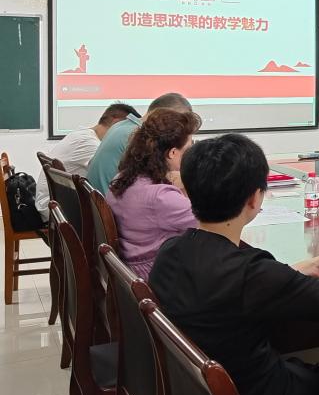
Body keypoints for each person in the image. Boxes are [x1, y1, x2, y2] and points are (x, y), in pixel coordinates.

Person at [149, 134, 319, 395]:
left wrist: (296, 271)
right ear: (254, 198)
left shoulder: (171, 251)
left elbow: (235, 284)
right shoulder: (254, 274)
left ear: (187, 191)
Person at [105, 108, 201, 279]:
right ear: (172, 153)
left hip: (127, 273)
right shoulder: (161, 197)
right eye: (189, 147)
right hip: (156, 276)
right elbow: (210, 223)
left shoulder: (123, 177)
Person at [35, 102, 139, 222]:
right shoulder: (89, 143)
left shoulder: (83, 134)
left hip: (53, 204)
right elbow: (112, 176)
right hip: (57, 209)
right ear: (117, 123)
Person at [87, 91, 194, 193]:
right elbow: (159, 179)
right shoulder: (139, 136)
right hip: (112, 200)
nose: (180, 131)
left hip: (99, 198)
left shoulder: (120, 125)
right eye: (179, 124)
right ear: (162, 114)